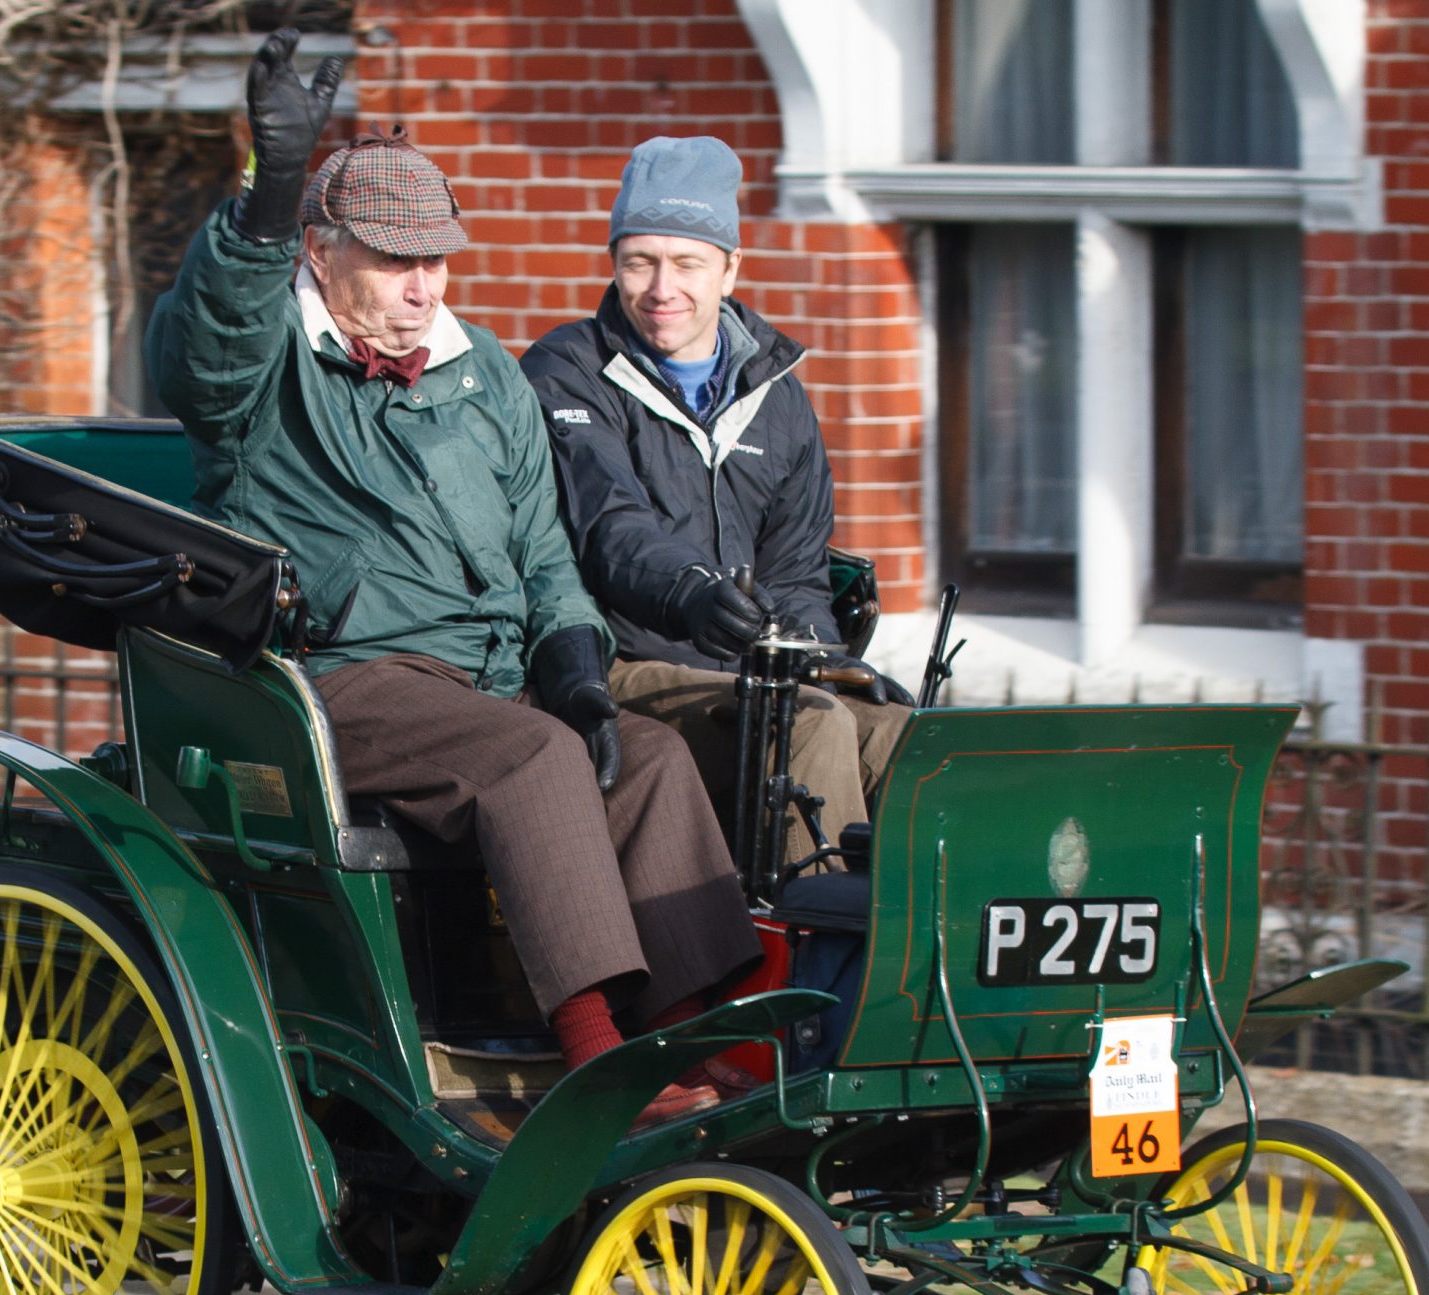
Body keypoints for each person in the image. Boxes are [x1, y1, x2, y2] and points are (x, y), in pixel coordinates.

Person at [144, 33, 760, 1121]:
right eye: (394, 260)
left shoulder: (482, 375)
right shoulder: (262, 370)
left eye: (437, 260)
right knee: (528, 758)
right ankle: (592, 1055)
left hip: (482, 679)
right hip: (340, 676)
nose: (424, 285)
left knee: (651, 758)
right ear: (322, 256)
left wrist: (572, 659)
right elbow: (205, 339)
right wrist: (266, 192)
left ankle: (681, 1041)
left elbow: (541, 552)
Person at [519, 135, 914, 871]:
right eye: (639, 261)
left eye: (687, 262)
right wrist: (694, 594)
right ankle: (811, 955)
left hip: (748, 668)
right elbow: (610, 526)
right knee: (806, 726)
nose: (661, 287)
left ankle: (930, 952)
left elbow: (796, 575)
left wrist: (824, 659)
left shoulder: (778, 396)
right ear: (614, 264)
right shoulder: (567, 371)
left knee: (904, 732)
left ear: (730, 267)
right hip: (621, 660)